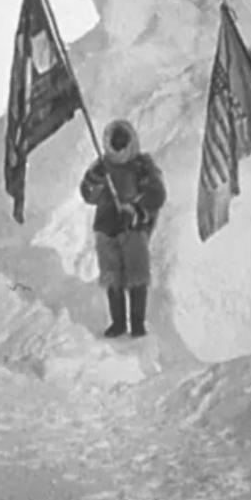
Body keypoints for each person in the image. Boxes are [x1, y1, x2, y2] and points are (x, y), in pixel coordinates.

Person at [80, 119, 166, 338]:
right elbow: (88, 195)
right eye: (114, 140)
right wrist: (94, 179)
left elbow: (157, 194)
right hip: (106, 227)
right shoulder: (101, 165)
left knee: (136, 276)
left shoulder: (141, 165)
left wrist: (136, 209)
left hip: (133, 227)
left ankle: (137, 324)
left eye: (122, 140)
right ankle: (118, 323)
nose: (118, 145)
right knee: (112, 276)